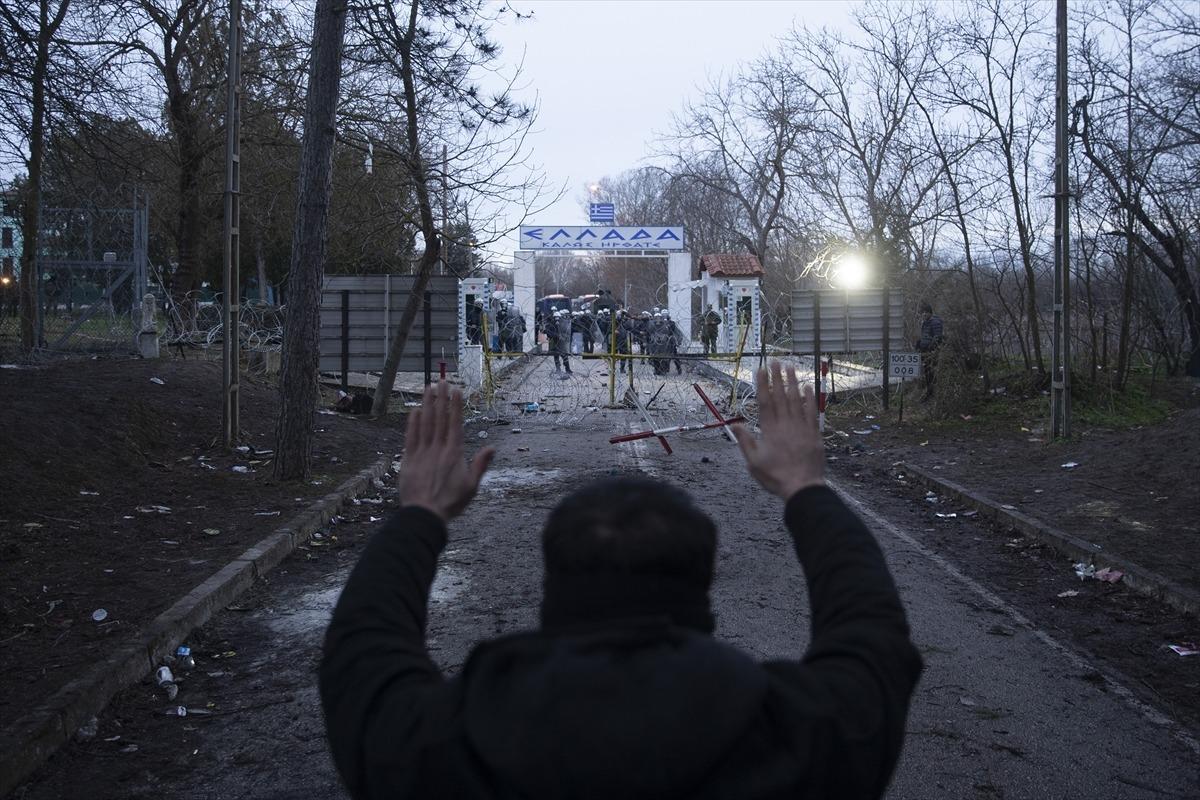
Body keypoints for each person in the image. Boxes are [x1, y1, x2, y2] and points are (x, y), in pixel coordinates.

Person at [320, 367, 923, 800]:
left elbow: (363, 647)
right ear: (703, 579)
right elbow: (871, 635)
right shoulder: (798, 742)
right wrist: (805, 488)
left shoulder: (440, 752)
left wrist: (420, 512)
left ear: (553, 581)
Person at [915, 301, 944, 401]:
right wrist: (919, 343)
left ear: (930, 312)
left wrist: (930, 348)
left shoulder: (935, 322)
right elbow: (925, 337)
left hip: (932, 353)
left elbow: (938, 337)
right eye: (922, 312)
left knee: (932, 373)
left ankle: (933, 395)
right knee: (927, 373)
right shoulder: (924, 323)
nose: (924, 314)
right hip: (925, 352)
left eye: (926, 312)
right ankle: (929, 393)